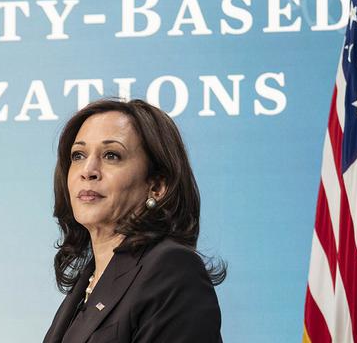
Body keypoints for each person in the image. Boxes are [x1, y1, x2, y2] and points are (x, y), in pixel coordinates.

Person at [43, 98, 224, 343]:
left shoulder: (172, 269)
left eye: (111, 155)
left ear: (157, 186)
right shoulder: (88, 282)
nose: (88, 170)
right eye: (78, 155)